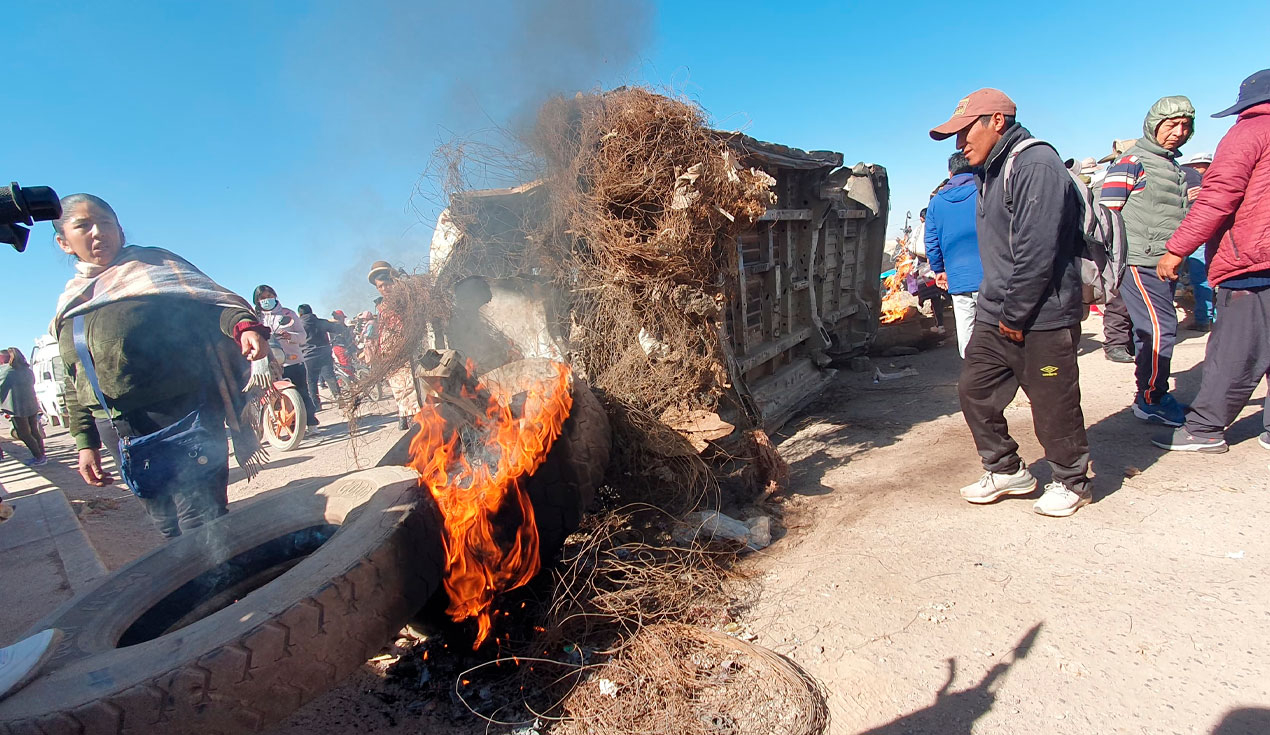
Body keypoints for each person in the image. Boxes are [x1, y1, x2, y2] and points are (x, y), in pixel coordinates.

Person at [51, 194, 270, 539]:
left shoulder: (154, 269)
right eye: (84, 226)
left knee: (202, 520)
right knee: (166, 524)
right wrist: (84, 442)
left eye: (106, 223)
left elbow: (213, 306)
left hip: (180, 415)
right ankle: (206, 589)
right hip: (118, 429)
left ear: (120, 231)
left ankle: (232, 588)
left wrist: (245, 327)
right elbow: (73, 380)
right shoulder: (71, 305)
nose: (98, 232)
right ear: (64, 242)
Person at [929, 88, 1092, 517]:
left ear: (996, 121)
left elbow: (1037, 252)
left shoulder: (1035, 164)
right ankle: (1007, 469)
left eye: (965, 132)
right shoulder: (991, 171)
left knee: (1052, 401)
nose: (960, 144)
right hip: (996, 310)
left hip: (1042, 314)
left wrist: (1016, 315)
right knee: (974, 389)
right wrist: (996, 310)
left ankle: (1071, 480)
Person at [1152, 69, 1270, 454]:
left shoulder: (1249, 132)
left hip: (1254, 260)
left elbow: (1218, 197)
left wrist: (1178, 247)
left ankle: (1205, 428)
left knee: (1236, 349)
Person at [1097, 96, 1197, 427]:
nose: (1178, 132)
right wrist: (1115, 258)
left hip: (1164, 261)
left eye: (1185, 125)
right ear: (1153, 126)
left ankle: (1150, 392)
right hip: (1141, 259)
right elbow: (1106, 212)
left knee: (1150, 330)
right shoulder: (1133, 162)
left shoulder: (1170, 165)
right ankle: (1151, 397)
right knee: (1159, 328)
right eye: (1170, 125)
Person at [925, 152, 984, 357]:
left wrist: (939, 270)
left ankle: (972, 370)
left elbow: (931, 242)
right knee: (993, 328)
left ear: (950, 173)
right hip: (990, 275)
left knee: (966, 328)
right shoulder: (984, 192)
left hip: (957, 279)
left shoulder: (936, 203)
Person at [252, 285, 320, 426]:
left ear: (275, 296)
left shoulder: (287, 314)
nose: (267, 300)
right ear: (257, 300)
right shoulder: (255, 318)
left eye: (269, 296)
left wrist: (290, 336)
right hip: (268, 364)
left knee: (302, 392)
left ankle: (311, 423)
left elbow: (302, 336)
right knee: (272, 397)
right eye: (262, 298)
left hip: (292, 360)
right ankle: (288, 424)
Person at [368, 261, 419, 430]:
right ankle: (404, 413)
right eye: (379, 286)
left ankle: (414, 419)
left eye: (386, 284)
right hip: (390, 354)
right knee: (398, 386)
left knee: (409, 385)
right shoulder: (382, 306)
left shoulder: (405, 298)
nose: (384, 289)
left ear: (394, 281)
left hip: (405, 351)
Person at [1180, 152, 1216, 330]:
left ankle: (1204, 319)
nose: (1197, 169)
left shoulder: (1187, 175)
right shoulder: (1212, 180)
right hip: (1204, 230)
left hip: (1193, 230)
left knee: (1200, 275)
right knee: (1204, 276)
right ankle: (1209, 317)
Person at [0, 348, 47, 466]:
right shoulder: (27, 370)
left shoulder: (6, 371)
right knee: (34, 431)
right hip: (31, 405)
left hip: (16, 407)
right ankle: (42, 455)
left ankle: (38, 456)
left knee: (23, 434)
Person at [297, 304, 342, 410]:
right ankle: (339, 398)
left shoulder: (298, 325)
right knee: (330, 377)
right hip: (324, 353)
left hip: (308, 356)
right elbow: (337, 329)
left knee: (311, 381)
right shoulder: (321, 322)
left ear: (300, 314)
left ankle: (316, 404)